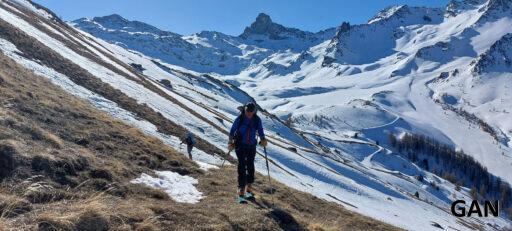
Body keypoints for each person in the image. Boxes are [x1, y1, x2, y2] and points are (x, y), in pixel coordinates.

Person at [228, 102, 267, 204]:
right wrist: (230, 142)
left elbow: (260, 130)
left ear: (254, 111)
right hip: (240, 145)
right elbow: (232, 131)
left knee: (250, 167)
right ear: (245, 110)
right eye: (247, 111)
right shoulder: (240, 119)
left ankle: (248, 189)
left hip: (251, 146)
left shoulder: (256, 120)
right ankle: (241, 192)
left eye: (251, 112)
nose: (249, 113)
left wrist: (263, 139)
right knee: (242, 165)